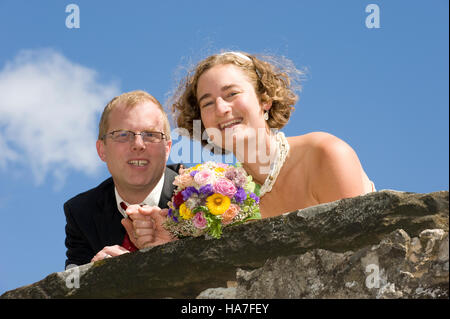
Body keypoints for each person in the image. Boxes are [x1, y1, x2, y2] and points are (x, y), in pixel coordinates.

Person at [170, 51, 375, 219]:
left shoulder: (325, 155)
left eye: (232, 94)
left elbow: (361, 246)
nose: (221, 109)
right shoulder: (223, 198)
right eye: (207, 103)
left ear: (265, 99)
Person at [64, 90, 178, 268]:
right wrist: (94, 276)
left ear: (167, 149)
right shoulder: (81, 212)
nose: (138, 145)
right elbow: (70, 284)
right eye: (123, 135)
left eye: (150, 134)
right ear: (102, 150)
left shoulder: (202, 192)